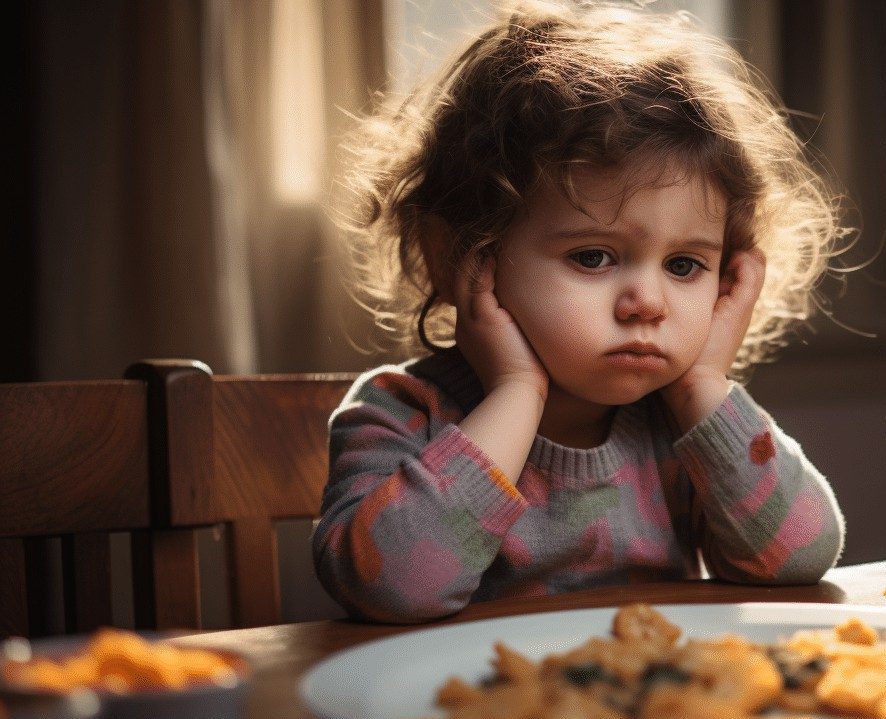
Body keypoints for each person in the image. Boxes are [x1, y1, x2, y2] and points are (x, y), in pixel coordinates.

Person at [312, 0, 851, 623]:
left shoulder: (682, 424)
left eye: (684, 266)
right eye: (593, 257)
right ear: (459, 256)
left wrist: (705, 384)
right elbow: (395, 588)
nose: (647, 303)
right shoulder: (401, 414)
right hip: (468, 712)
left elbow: (800, 558)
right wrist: (516, 392)